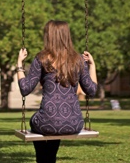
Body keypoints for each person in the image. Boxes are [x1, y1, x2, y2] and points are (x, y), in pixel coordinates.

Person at [17, 20, 97, 163]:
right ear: (67, 35)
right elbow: (91, 90)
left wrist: (19, 65)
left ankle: (43, 160)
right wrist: (92, 65)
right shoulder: (78, 60)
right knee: (57, 123)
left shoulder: (41, 59)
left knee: (39, 120)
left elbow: (25, 89)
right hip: (74, 123)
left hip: (47, 121)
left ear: (48, 36)